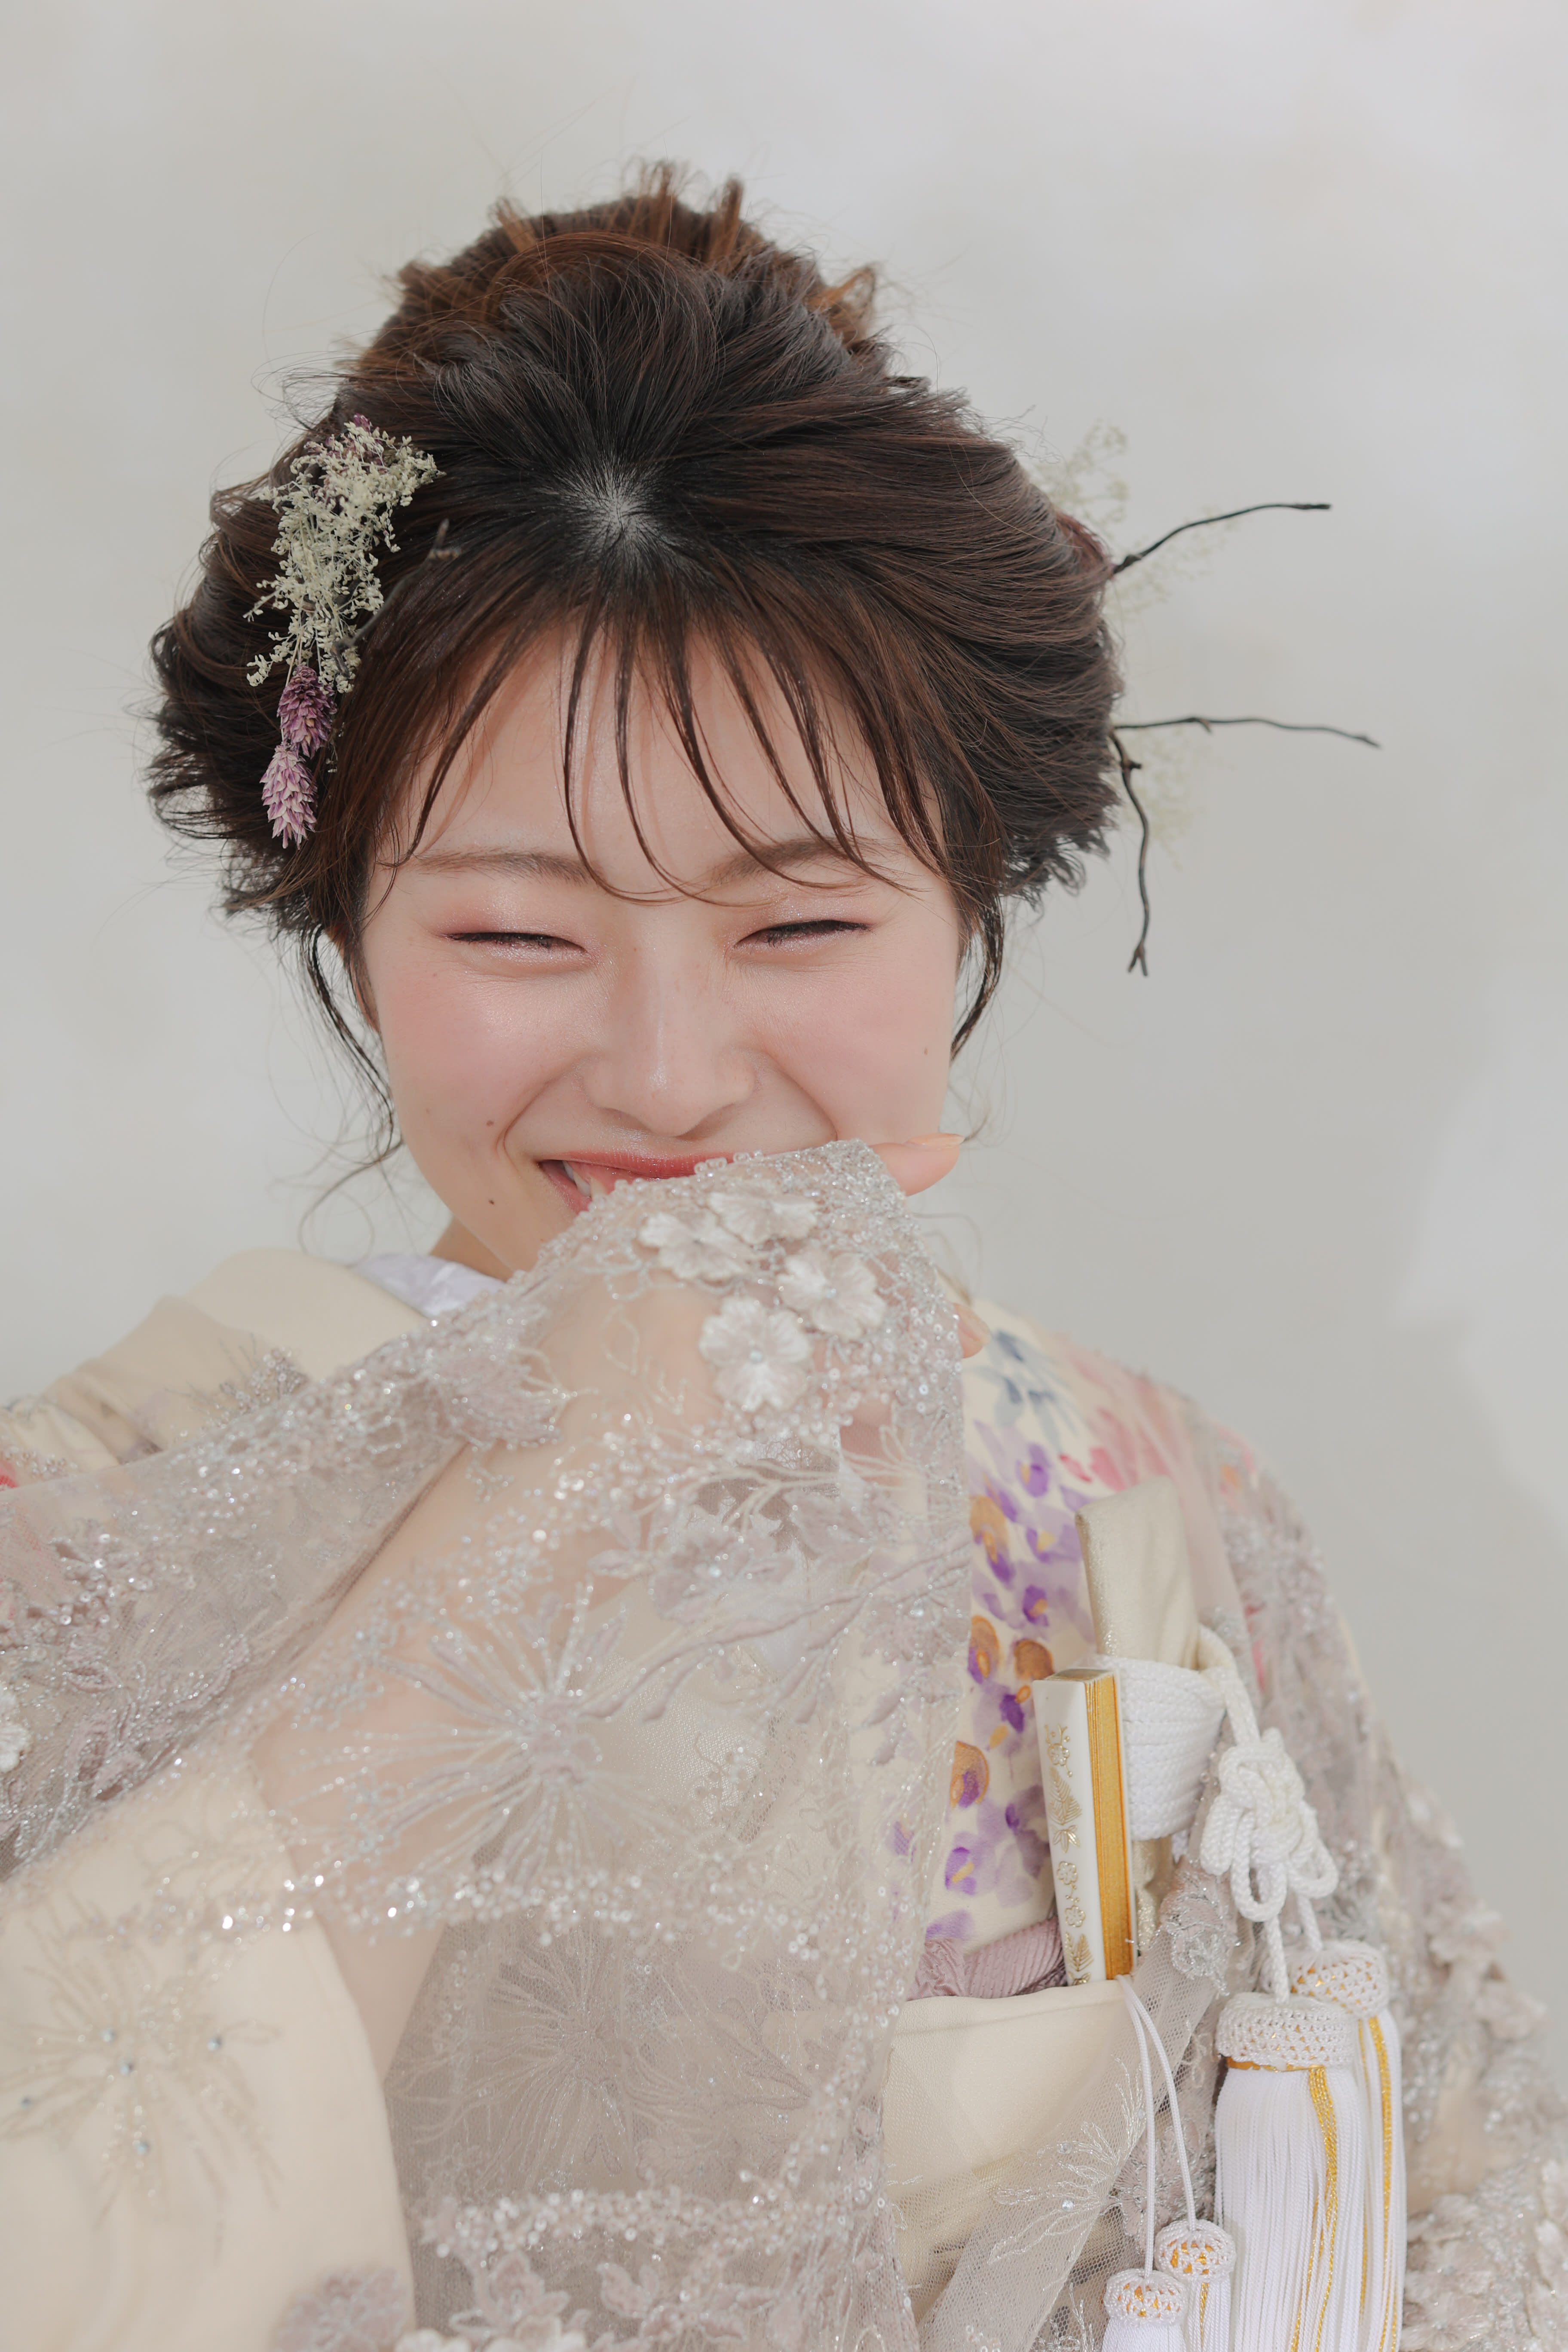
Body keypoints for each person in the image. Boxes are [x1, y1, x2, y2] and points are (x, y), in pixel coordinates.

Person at [0, 171, 1555, 2352]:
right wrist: (556, 1486)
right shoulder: (92, 1514)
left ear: (972, 899)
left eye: (800, 923)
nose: (668, 1074)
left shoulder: (1152, 1500)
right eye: (520, 934)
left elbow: (1465, 2215)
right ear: (343, 924)